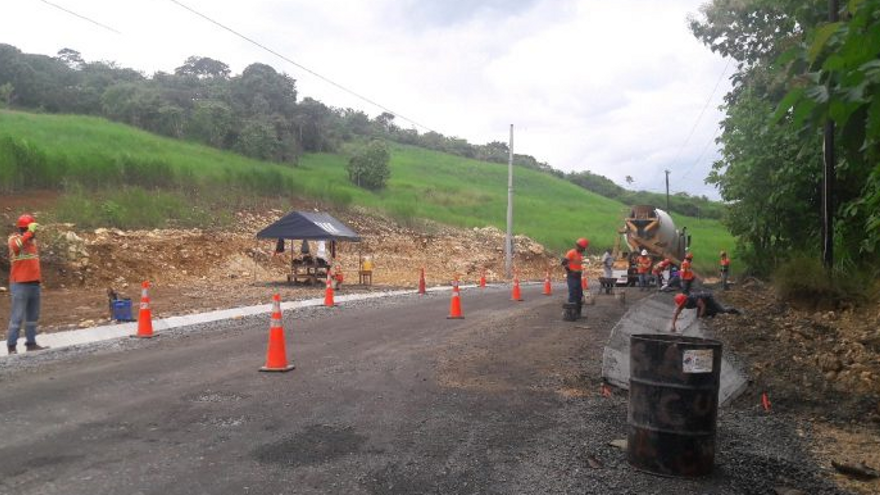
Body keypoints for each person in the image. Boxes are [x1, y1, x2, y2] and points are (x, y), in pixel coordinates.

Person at [6, 214, 48, 354]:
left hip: (34, 284)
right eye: (32, 228)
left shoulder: (32, 242)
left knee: (32, 317)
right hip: (20, 284)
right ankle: (11, 346)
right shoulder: (14, 239)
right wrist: (29, 232)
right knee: (17, 317)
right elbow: (16, 246)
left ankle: (31, 343)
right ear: (26, 228)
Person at [671, 292, 740, 332]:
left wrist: (700, 316)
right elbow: (676, 314)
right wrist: (673, 325)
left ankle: (735, 311)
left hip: (708, 299)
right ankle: (712, 314)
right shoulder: (682, 305)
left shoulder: (693, 298)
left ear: (686, 300)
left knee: (721, 310)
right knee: (699, 316)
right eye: (682, 304)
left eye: (684, 303)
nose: (683, 305)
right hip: (701, 304)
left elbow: (702, 305)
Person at [562, 238, 589, 312]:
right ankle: (569, 313)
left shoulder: (579, 254)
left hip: (578, 276)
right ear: (580, 247)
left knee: (579, 295)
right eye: (584, 248)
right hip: (572, 277)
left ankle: (577, 312)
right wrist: (570, 271)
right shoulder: (571, 253)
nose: (584, 250)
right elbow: (563, 263)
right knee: (573, 294)